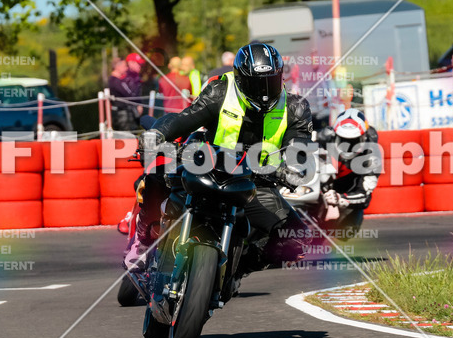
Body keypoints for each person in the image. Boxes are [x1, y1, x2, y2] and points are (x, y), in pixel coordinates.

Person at [125, 41, 313, 272]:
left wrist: (294, 169)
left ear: (281, 76)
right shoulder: (220, 91)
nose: (263, 91)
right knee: (157, 173)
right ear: (241, 78)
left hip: (254, 182)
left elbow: (300, 147)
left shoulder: (295, 108)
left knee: (297, 237)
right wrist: (158, 134)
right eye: (256, 83)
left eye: (270, 81)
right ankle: (142, 242)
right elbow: (185, 118)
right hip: (206, 165)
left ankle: (236, 268)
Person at [316, 109, 382, 231]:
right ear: (335, 135)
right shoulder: (323, 137)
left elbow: (365, 196)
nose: (347, 146)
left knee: (348, 230)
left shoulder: (372, 155)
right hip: (321, 186)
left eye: (354, 141)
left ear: (364, 137)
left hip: (349, 190)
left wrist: (340, 198)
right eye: (343, 140)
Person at [108, 53, 144, 131]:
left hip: (123, 114)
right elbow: (129, 95)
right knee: (127, 138)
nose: (126, 68)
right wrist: (137, 104)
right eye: (125, 66)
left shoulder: (116, 80)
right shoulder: (116, 81)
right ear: (117, 67)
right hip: (122, 115)